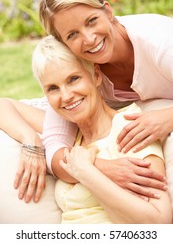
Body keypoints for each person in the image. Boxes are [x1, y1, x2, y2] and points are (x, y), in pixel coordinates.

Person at [38, 0, 173, 195]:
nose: (89, 38)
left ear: (108, 11)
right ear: (63, 43)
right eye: (72, 35)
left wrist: (167, 118)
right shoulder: (81, 70)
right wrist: (101, 169)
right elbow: (55, 149)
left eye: (92, 21)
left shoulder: (159, 42)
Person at [31, 34, 172, 223]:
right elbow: (5, 106)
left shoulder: (129, 129)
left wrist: (85, 171)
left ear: (96, 76)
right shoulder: (70, 134)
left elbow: (159, 222)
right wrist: (29, 140)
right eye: (53, 88)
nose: (66, 96)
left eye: (73, 79)